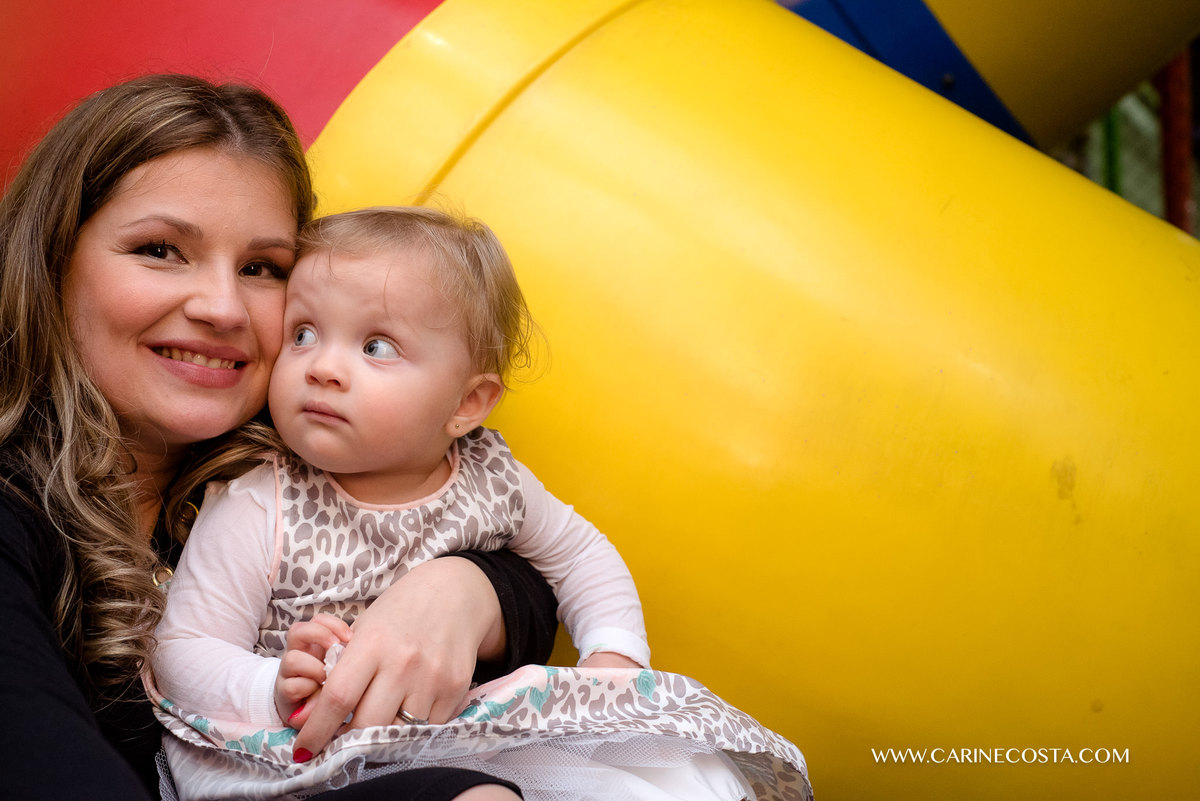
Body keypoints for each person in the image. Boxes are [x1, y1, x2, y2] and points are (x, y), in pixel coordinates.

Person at [0, 74, 562, 801]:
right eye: (161, 250)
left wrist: (465, 590)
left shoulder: (309, 465)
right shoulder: (17, 512)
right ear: (49, 262)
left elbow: (530, 566)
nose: (222, 307)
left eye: (262, 268)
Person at [150, 207, 650, 764]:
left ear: (467, 403)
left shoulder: (492, 479)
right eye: (304, 334)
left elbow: (581, 556)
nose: (322, 367)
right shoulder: (261, 503)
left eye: (376, 347)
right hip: (295, 760)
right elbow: (181, 652)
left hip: (447, 746)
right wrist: (270, 688)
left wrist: (614, 657)